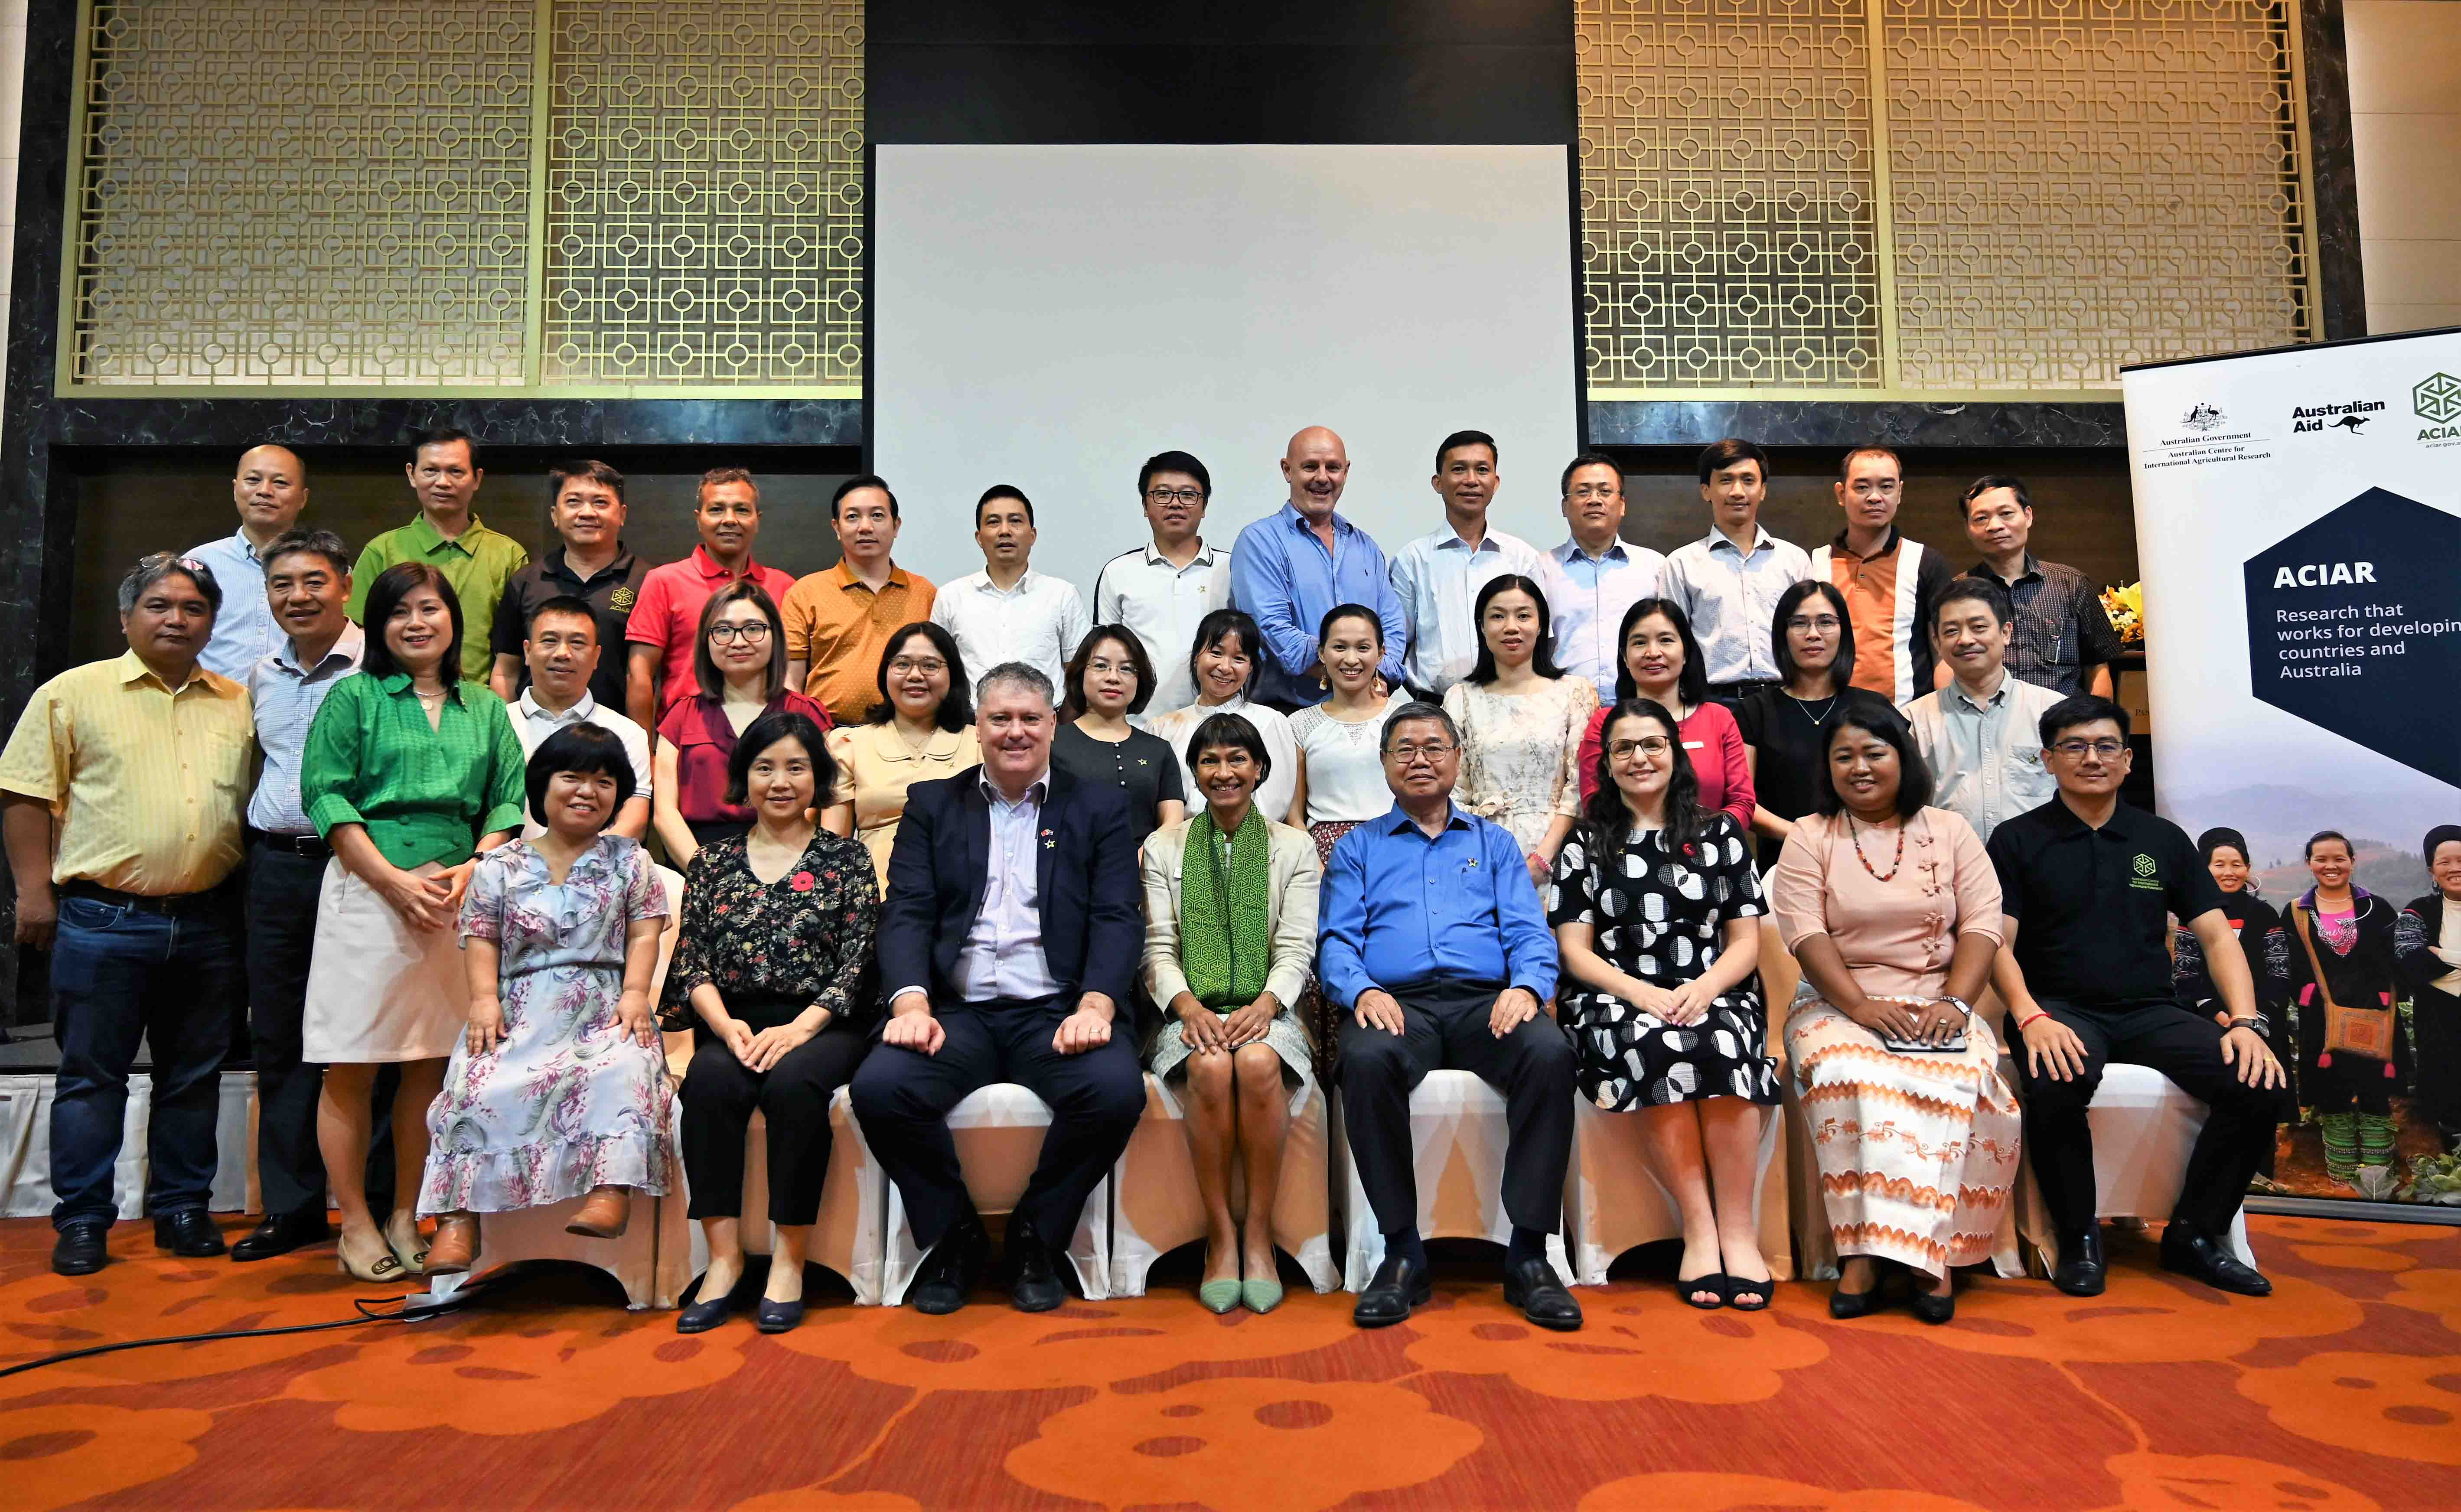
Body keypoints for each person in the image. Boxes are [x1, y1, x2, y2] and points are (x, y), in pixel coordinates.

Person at [849, 664, 1147, 1315]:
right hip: (956, 1013)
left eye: (1030, 719)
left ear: (1053, 726)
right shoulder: (933, 804)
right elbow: (908, 912)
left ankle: (1036, 1236)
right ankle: (956, 1236)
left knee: (1115, 1091)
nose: (1016, 732)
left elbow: (1117, 915)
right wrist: (911, 1001)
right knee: (880, 1089)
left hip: (1057, 1010)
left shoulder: (1097, 806)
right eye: (1000, 719)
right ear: (976, 727)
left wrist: (1097, 1003)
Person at [1987, 694, 2289, 1298]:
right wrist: (2029, 1016)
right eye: (2074, 746)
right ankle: (2077, 1237)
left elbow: (2214, 935)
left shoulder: (2162, 839)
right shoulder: (2018, 840)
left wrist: (2247, 1022)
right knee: (2056, 1081)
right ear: (2048, 760)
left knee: (2260, 1084)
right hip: (2060, 1009)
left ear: (2127, 761)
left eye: (2105, 746)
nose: (2091, 758)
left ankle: (2195, 1235)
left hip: (2150, 1009)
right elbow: (1996, 941)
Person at [2, 554, 254, 1277]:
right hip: (102, 919)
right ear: (126, 617)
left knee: (192, 1076)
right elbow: (23, 796)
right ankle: (82, 1219)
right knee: (91, 1078)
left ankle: (183, 1208)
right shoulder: (73, 693)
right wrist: (34, 892)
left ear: (211, 621)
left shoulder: (238, 701)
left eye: (193, 607)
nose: (176, 617)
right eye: (158, 604)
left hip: (209, 922)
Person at [1320, 702, 1580, 1331]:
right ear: (1383, 765)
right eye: (1404, 749)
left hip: (1484, 1004)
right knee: (1363, 1057)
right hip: (1397, 1006)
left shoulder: (1493, 844)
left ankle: (1528, 1256)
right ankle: (1402, 1252)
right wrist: (1360, 992)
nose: (1420, 760)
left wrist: (1526, 986)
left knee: (1550, 1052)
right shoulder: (1357, 849)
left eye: (1434, 747)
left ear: (1458, 759)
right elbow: (1334, 943)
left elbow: (1530, 933)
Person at [300, 562, 526, 1283]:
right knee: (354, 1064)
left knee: (431, 1065)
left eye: (430, 608)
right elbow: (327, 798)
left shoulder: (486, 707)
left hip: (459, 898)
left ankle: (408, 1212)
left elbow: (506, 800)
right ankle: (356, 1223)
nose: (417, 623)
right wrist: (395, 881)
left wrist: (474, 867)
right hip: (370, 891)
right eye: (399, 612)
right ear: (379, 624)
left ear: (453, 618)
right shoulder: (354, 696)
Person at [1772, 707, 2014, 1323]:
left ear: (1903, 759)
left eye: (1874, 753)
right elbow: (1805, 934)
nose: (1859, 767)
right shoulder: (1810, 835)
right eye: (1844, 756)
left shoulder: (1951, 831)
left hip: (1939, 998)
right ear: (1827, 768)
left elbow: (1983, 925)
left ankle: (1930, 1257)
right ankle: (1859, 1256)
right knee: (1850, 1078)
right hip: (1836, 1003)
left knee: (1970, 1083)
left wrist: (1956, 1004)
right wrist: (1859, 1006)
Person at [417, 725, 675, 1281]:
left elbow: (645, 934)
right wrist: (484, 1000)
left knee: (623, 1067)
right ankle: (457, 1221)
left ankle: (610, 1190)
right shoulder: (497, 866)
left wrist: (635, 993)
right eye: (572, 777)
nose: (588, 791)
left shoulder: (632, 860)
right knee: (474, 1083)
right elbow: (480, 935)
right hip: (518, 1006)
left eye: (604, 781)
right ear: (542, 785)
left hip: (606, 1002)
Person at [1552, 699, 1776, 1310]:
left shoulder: (1720, 833)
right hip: (1615, 996)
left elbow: (1745, 941)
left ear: (1675, 754)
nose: (1638, 758)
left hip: (1713, 988)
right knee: (1656, 1043)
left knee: (1725, 1046)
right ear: (1605, 763)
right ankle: (1699, 1229)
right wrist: (1642, 993)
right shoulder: (1586, 842)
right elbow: (1575, 951)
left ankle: (1738, 1231)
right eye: (1623, 749)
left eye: (1652, 744)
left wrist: (1704, 989)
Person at [665, 711, 880, 1335]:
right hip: (732, 1021)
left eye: (795, 767)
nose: (780, 781)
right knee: (708, 1086)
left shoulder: (847, 861)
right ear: (743, 778)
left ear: (819, 779)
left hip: (823, 1024)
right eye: (764, 768)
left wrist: (798, 1032)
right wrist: (727, 1027)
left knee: (793, 1088)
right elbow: (693, 963)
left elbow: (858, 962)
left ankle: (789, 1260)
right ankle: (725, 1261)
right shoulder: (711, 863)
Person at [1141, 712, 1321, 1313]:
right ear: (1194, 772)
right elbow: (1158, 948)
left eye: (1237, 760)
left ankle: (1259, 1237)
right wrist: (1187, 1006)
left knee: (1259, 1064)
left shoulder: (1292, 846)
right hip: (1185, 1012)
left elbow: (1297, 947)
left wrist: (1269, 1003)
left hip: (1270, 1007)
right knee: (1213, 1068)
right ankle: (1221, 1237)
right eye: (1210, 761)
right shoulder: (1162, 847)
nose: (1224, 772)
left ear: (1260, 770)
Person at [231, 529, 364, 1262]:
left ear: (344, 583)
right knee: (281, 1036)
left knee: (369, 1035)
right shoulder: (261, 675)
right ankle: (293, 1205)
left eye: (313, 581)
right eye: (283, 585)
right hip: (278, 868)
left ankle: (375, 1203)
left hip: (360, 867)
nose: (298, 596)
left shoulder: (381, 670)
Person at [653, 581, 832, 867]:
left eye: (753, 629)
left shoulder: (806, 713)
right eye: (723, 630)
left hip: (788, 859)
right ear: (706, 641)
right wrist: (705, 876)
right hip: (698, 861)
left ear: (775, 636)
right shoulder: (681, 715)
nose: (738, 642)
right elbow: (665, 812)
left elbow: (819, 802)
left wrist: (784, 866)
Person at [1227, 426, 1407, 709]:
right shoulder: (1259, 542)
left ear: (1345, 472)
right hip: (1287, 714)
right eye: (1310, 467)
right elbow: (1272, 630)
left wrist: (1376, 674)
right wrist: (1354, 671)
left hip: (1367, 711)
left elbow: (1393, 628)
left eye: (1332, 467)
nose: (1322, 478)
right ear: (1287, 470)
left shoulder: (1366, 548)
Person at [1443, 575, 1597, 887]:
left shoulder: (1574, 693)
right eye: (1497, 616)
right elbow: (1454, 788)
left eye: (1523, 615)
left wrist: (1543, 858)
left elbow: (1579, 787)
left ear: (1541, 625)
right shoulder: (1460, 697)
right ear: (1482, 626)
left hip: (1560, 849)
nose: (1511, 627)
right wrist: (1478, 853)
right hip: (1479, 851)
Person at [2272, 830, 2402, 1187]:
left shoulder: (2376, 908)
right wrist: (2305, 995)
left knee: (2374, 1088)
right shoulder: (2296, 911)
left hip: (2373, 1012)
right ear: (2309, 864)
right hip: (2321, 1015)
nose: (2331, 866)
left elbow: (2395, 958)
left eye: (2338, 859)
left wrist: (2386, 995)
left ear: (2352, 862)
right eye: (2321, 859)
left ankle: (2377, 1175)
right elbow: (2289, 963)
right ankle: (2341, 1175)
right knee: (2332, 1090)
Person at [348, 427, 528, 684]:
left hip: (479, 706)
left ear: (477, 479)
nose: (443, 482)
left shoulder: (509, 555)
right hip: (395, 701)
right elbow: (361, 639)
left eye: (456, 471)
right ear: (412, 474)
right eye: (431, 470)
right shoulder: (382, 551)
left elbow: (514, 650)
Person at [1735, 580, 1894, 870]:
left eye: (1825, 622)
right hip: (1788, 861)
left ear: (1843, 631)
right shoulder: (1755, 711)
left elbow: (1904, 789)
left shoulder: (1875, 708)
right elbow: (1743, 803)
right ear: (1782, 635)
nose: (1812, 634)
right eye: (1799, 623)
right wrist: (1806, 839)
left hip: (1873, 859)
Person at [624, 466, 798, 727]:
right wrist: (646, 752)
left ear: (757, 519)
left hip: (769, 737)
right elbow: (640, 673)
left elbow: (793, 674)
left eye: (742, 509)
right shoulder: (664, 581)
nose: (730, 519)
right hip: (685, 739)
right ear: (699, 518)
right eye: (716, 509)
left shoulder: (785, 587)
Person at [2174, 826, 2295, 1187]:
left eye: (2237, 864)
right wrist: (2217, 1013)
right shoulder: (2191, 916)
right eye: (2219, 864)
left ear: (2248, 868)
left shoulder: (2264, 915)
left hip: (2263, 1027)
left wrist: (2253, 1018)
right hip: (2207, 1026)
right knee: (2215, 1104)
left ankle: (2262, 1178)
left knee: (2261, 1099)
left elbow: (2279, 973)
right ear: (2203, 868)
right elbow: (2185, 976)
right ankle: (2216, 1185)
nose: (2229, 872)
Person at [1900, 576, 2062, 843]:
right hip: (1948, 871)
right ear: (1937, 643)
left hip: (2039, 870)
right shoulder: (1914, 721)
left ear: (2006, 633)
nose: (1965, 640)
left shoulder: (2053, 711)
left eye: (1978, 627)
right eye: (1951, 631)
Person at [1573, 599, 1754, 834]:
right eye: (1640, 643)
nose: (1653, 653)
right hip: (1628, 857)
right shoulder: (1605, 723)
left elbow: (1743, 802)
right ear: (1625, 657)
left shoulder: (1718, 718)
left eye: (1666, 640)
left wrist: (1705, 841)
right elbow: (1594, 804)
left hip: (1711, 855)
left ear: (1686, 651)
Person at [822, 622, 980, 889]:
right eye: (902, 664)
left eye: (930, 665)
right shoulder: (849, 744)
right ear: (886, 672)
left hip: (961, 893)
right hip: (873, 893)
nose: (915, 675)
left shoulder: (980, 742)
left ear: (952, 674)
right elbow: (833, 847)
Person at [1389, 430, 1542, 697]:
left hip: (1512, 705)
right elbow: (1396, 644)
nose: (1471, 480)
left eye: (1482, 470)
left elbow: (1539, 640)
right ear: (1438, 482)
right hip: (1434, 707)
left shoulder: (1521, 557)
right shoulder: (1412, 559)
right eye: (1459, 470)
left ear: (1495, 483)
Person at [1660, 439, 1815, 702]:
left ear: (1763, 490)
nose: (1737, 492)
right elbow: (1671, 642)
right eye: (1726, 480)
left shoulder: (1794, 560)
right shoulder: (1681, 564)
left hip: (1786, 699)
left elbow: (1810, 633)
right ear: (1706, 490)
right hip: (1711, 702)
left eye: (1748, 480)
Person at [490, 459, 648, 714]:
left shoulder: (648, 581)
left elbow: (646, 676)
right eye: (574, 502)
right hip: (534, 736)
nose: (587, 513)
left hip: (617, 738)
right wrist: (509, 735)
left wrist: (642, 743)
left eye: (601, 503)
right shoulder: (526, 581)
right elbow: (505, 672)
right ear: (555, 515)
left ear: (622, 515)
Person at [783, 474, 937, 725]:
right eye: (853, 517)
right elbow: (790, 681)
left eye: (877, 516)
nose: (865, 527)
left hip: (909, 734)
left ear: (896, 526)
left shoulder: (925, 593)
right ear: (836, 527)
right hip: (828, 735)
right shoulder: (805, 592)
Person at [1810, 446, 1956, 704]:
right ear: (1841, 494)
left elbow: (1944, 654)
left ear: (1900, 493)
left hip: (1907, 717)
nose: (1875, 497)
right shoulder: (1815, 562)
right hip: (1831, 716)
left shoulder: (1926, 562)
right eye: (1862, 487)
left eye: (1886, 487)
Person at [1092, 450, 1232, 716]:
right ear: (1146, 506)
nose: (1176, 504)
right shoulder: (1118, 572)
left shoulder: (1232, 570)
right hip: (1138, 726)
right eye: (1163, 494)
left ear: (1204, 507)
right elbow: (1102, 656)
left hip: (1219, 727)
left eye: (1189, 495)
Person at [505, 596, 652, 840]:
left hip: (598, 873)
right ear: (528, 651)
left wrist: (578, 870)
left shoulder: (626, 732)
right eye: (550, 641)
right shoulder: (499, 723)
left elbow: (633, 821)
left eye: (577, 643)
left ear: (596, 657)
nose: (563, 653)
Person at [1962, 475, 2122, 699]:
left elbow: (2097, 667)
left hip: (2063, 726)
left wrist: (2097, 725)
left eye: (2006, 514)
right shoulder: (1959, 593)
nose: (1995, 526)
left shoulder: (2072, 584)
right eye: (1981, 518)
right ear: (1968, 529)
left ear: (2028, 516)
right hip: (1987, 725)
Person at [1145, 609, 1300, 826]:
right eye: (1216, 654)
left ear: (1251, 667)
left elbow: (1273, 807)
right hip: (1178, 848)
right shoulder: (1162, 728)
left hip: (1253, 846)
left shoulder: (1270, 722)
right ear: (1197, 655)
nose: (1225, 668)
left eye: (1239, 658)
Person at [930, 486, 1090, 691]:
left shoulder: (1063, 595)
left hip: (1045, 721)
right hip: (971, 721)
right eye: (994, 522)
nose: (1005, 531)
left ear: (1032, 535)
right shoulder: (951, 597)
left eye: (1015, 521)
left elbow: (1079, 673)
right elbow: (935, 670)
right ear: (979, 538)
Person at [1535, 451, 1665, 702]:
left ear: (1623, 505)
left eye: (1605, 492)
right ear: (1564, 506)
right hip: (1563, 709)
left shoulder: (1655, 566)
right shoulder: (1540, 569)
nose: (1594, 500)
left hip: (1642, 706)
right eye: (1583, 492)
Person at [1288, 604, 1404, 860]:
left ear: (1381, 654)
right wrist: (1312, 864)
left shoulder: (1405, 719)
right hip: (1325, 854)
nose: (1351, 660)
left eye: (1363, 648)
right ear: (1322, 653)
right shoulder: (1299, 724)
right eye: (1340, 647)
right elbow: (1294, 815)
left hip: (1400, 846)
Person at [1053, 624, 1185, 850]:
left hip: (1147, 874)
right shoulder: (1052, 743)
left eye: (1127, 669)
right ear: (1079, 673)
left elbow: (1172, 823)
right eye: (1101, 666)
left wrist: (1140, 860)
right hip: (1071, 874)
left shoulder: (1158, 749)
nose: (1113, 677)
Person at [187, 443, 310, 680]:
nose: (265, 491)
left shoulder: (325, 570)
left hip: (295, 707)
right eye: (253, 480)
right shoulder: (199, 564)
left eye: (280, 483)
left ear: (303, 498)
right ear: (236, 490)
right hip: (212, 706)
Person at [2397, 826, 2461, 1151]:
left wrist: (2443, 955)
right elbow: (2411, 964)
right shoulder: (2418, 910)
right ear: (2431, 871)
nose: (2455, 868)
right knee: (2447, 1097)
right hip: (2439, 1022)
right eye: (2444, 862)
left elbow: (2428, 962)